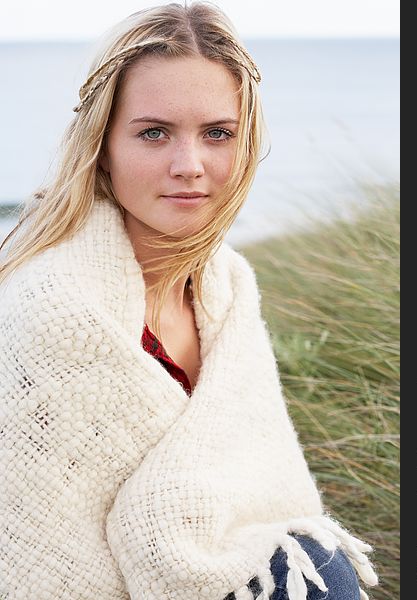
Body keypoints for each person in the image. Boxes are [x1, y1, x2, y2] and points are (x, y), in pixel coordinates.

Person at [0, 3, 378, 599]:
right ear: (102, 144)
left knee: (312, 562)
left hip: (213, 578)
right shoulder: (54, 308)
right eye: (153, 133)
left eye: (217, 134)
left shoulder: (225, 286)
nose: (189, 166)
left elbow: (256, 492)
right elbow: (35, 541)